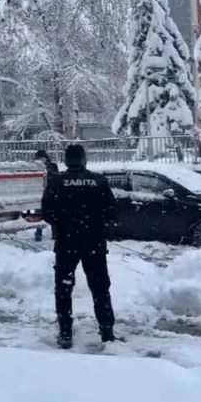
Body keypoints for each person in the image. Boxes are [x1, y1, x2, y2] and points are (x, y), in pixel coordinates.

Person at [41, 144, 119, 349]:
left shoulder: (56, 182)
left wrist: (66, 221)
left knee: (64, 288)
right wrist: (94, 221)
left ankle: (65, 332)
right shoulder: (99, 181)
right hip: (94, 243)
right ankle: (107, 332)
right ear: (84, 159)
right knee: (100, 288)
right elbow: (112, 212)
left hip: (66, 243)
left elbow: (47, 213)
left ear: (66, 160)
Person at [34, 150, 59, 242]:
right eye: (39, 158)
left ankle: (55, 234)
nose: (42, 159)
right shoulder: (34, 167)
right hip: (40, 193)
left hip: (51, 192)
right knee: (39, 214)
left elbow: (56, 177)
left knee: (53, 214)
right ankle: (38, 233)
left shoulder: (52, 166)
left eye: (43, 157)